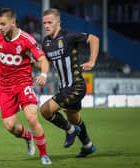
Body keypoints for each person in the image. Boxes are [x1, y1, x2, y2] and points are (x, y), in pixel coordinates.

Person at [0, 8, 52, 165]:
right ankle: (27, 137)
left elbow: (43, 60)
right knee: (10, 126)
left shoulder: (27, 39)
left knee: (32, 118)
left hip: (23, 83)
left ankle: (44, 154)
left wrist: (43, 75)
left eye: (3, 24)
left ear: (13, 22)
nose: (0, 28)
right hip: (5, 87)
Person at [41, 8, 99, 157]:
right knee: (75, 119)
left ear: (58, 22)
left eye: (49, 22)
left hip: (76, 86)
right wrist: (37, 68)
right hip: (63, 88)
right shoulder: (46, 43)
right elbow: (45, 63)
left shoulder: (68, 36)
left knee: (45, 110)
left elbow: (94, 39)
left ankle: (71, 130)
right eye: (44, 23)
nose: (46, 25)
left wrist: (92, 61)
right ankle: (88, 145)